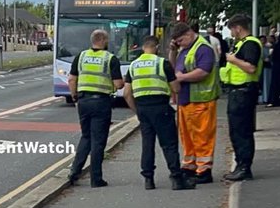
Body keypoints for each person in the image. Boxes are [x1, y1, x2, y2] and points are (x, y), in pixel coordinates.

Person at [123, 35, 194, 190]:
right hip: (161, 108)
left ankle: (148, 179)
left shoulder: (133, 65)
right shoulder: (162, 63)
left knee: (147, 144)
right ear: (156, 47)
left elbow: (127, 93)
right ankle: (176, 179)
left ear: (143, 47)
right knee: (169, 144)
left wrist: (137, 110)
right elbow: (176, 88)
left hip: (143, 109)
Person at [66, 29, 123, 188]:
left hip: (83, 101)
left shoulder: (81, 56)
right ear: (103, 40)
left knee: (86, 137)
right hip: (101, 102)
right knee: (98, 141)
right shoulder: (110, 58)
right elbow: (118, 84)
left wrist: (75, 97)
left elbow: (71, 80)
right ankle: (96, 179)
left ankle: (74, 172)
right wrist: (119, 82)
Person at [168, 20, 220, 184]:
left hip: (201, 100)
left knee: (202, 136)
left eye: (181, 40)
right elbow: (173, 67)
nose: (180, 44)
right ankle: (190, 165)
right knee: (187, 136)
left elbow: (203, 71)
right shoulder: (185, 49)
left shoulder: (203, 48)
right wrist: (173, 51)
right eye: (177, 42)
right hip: (186, 99)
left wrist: (182, 77)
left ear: (189, 34)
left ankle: (204, 170)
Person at [220, 13, 263, 181]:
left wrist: (233, 60)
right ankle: (240, 165)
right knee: (236, 131)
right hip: (237, 92)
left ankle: (244, 167)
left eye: (232, 29)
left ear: (238, 28)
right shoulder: (241, 44)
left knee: (242, 131)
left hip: (244, 92)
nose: (231, 33)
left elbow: (251, 68)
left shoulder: (251, 44)